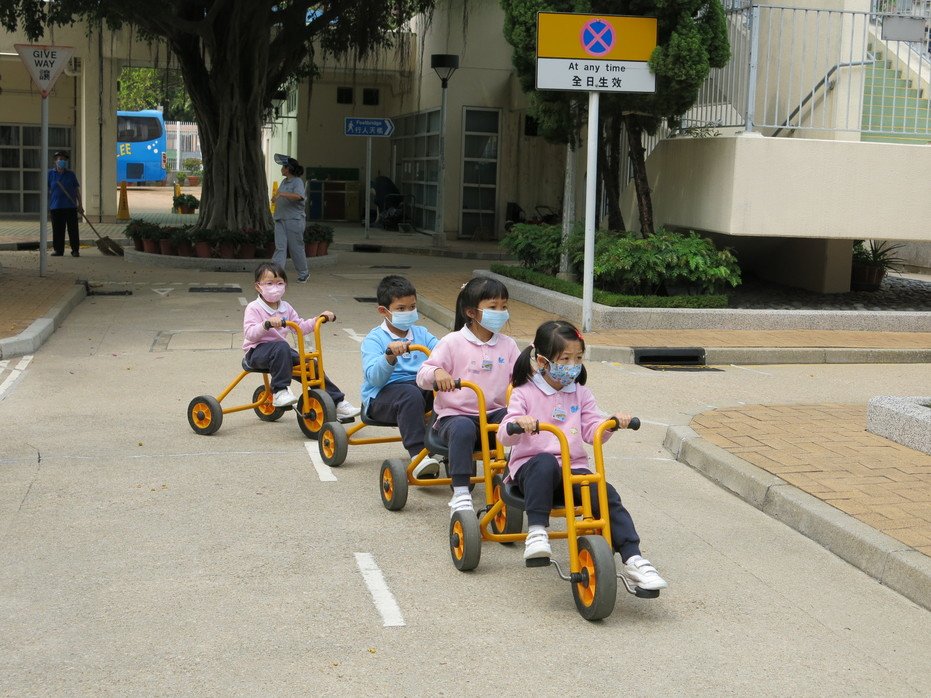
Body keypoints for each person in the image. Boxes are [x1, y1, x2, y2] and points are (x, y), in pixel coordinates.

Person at [498, 319, 667, 591]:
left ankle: (633, 558)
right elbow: (505, 434)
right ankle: (537, 532)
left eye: (578, 358)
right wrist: (520, 423)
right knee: (544, 462)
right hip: (532, 472)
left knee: (604, 492)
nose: (572, 365)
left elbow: (591, 430)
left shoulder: (581, 394)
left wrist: (611, 423)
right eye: (565, 359)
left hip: (572, 472)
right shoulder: (524, 392)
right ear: (542, 361)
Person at [416, 277, 520, 514]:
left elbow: (522, 379)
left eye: (504, 306)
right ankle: (461, 492)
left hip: (494, 415)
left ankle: (518, 477)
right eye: (493, 307)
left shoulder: (508, 345)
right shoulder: (452, 342)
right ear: (471, 312)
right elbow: (422, 375)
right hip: (456, 416)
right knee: (462, 427)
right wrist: (438, 373)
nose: (501, 313)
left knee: (519, 422)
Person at [242, 262, 360, 419]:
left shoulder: (286, 307)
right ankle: (279, 391)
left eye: (279, 283)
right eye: (269, 283)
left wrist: (319, 319)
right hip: (256, 352)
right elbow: (250, 334)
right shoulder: (254, 307)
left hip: (281, 352)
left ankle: (337, 402)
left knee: (311, 364)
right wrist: (266, 324)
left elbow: (300, 327)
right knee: (282, 346)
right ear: (258, 286)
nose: (275, 287)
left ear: (285, 285)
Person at [361, 275, 441, 478]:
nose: (408, 312)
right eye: (401, 309)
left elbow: (443, 351)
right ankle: (418, 455)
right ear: (383, 311)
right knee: (409, 393)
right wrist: (389, 356)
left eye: (412, 307)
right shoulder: (374, 339)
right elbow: (374, 379)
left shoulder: (421, 334)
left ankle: (445, 442)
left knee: (445, 389)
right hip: (382, 397)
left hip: (417, 390)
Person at [271, 154, 309, 283]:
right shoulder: (284, 182)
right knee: (280, 247)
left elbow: (299, 196)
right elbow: (281, 195)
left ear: (288, 169)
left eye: (283, 167)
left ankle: (303, 273)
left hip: (294, 220)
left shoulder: (297, 182)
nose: (281, 169)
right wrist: (276, 198)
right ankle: (276, 274)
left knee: (295, 248)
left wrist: (281, 194)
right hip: (280, 219)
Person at [47, 150, 82, 257]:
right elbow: (47, 189)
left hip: (70, 206)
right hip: (56, 207)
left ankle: (75, 250)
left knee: (73, 230)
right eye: (60, 159)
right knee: (57, 230)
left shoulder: (70, 174)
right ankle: (58, 250)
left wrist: (80, 205)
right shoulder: (50, 174)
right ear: (55, 161)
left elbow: (76, 191)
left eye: (64, 159)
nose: (62, 161)